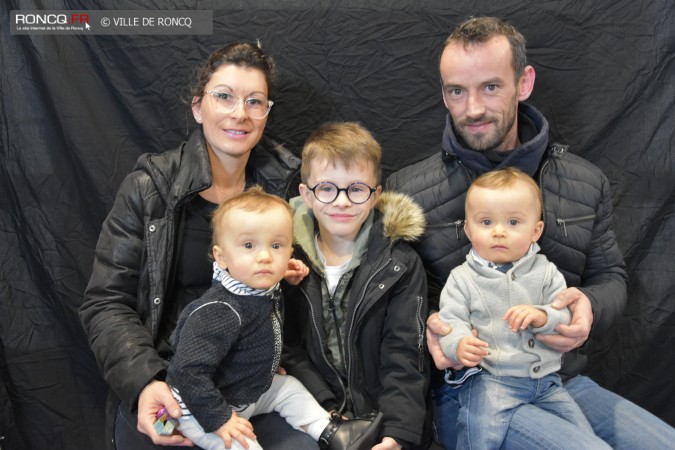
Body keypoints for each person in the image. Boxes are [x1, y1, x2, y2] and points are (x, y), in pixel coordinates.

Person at [386, 16, 675, 449]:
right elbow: (393, 301)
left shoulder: (585, 182)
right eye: (457, 91)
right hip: (468, 387)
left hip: (558, 378)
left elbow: (610, 276)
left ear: (524, 83)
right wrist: (430, 325)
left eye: (490, 87)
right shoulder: (407, 192)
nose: (473, 108)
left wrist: (589, 307)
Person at [79, 42, 317, 450]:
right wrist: (144, 382)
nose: (240, 113)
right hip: (168, 383)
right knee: (163, 437)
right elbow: (105, 302)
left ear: (266, 112)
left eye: (254, 101)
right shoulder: (149, 187)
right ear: (197, 107)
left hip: (249, 386)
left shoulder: (285, 187)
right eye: (224, 96)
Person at [165, 186, 382, 450]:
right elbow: (187, 373)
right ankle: (174, 428)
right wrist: (220, 419)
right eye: (248, 245)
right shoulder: (219, 311)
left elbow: (260, 310)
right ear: (221, 257)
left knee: (288, 388)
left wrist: (284, 277)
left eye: (276, 246)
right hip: (197, 409)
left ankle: (333, 432)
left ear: (290, 251)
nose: (265, 256)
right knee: (242, 444)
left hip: (247, 389)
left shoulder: (259, 288)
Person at [282, 122, 430, 450]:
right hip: (313, 412)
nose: (342, 202)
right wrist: (325, 407)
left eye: (356, 189)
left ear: (375, 195)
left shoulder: (399, 264)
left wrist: (397, 433)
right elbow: (288, 348)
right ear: (306, 194)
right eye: (327, 188)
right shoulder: (285, 260)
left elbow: (406, 354)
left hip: (383, 416)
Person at [438, 168, 608, 449]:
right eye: (486, 222)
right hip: (492, 381)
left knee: (584, 437)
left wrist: (543, 316)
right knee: (478, 436)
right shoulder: (462, 278)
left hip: (548, 382)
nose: (499, 232)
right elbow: (450, 321)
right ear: (468, 230)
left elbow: (565, 314)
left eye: (513, 222)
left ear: (536, 231)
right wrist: (458, 344)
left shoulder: (546, 272)